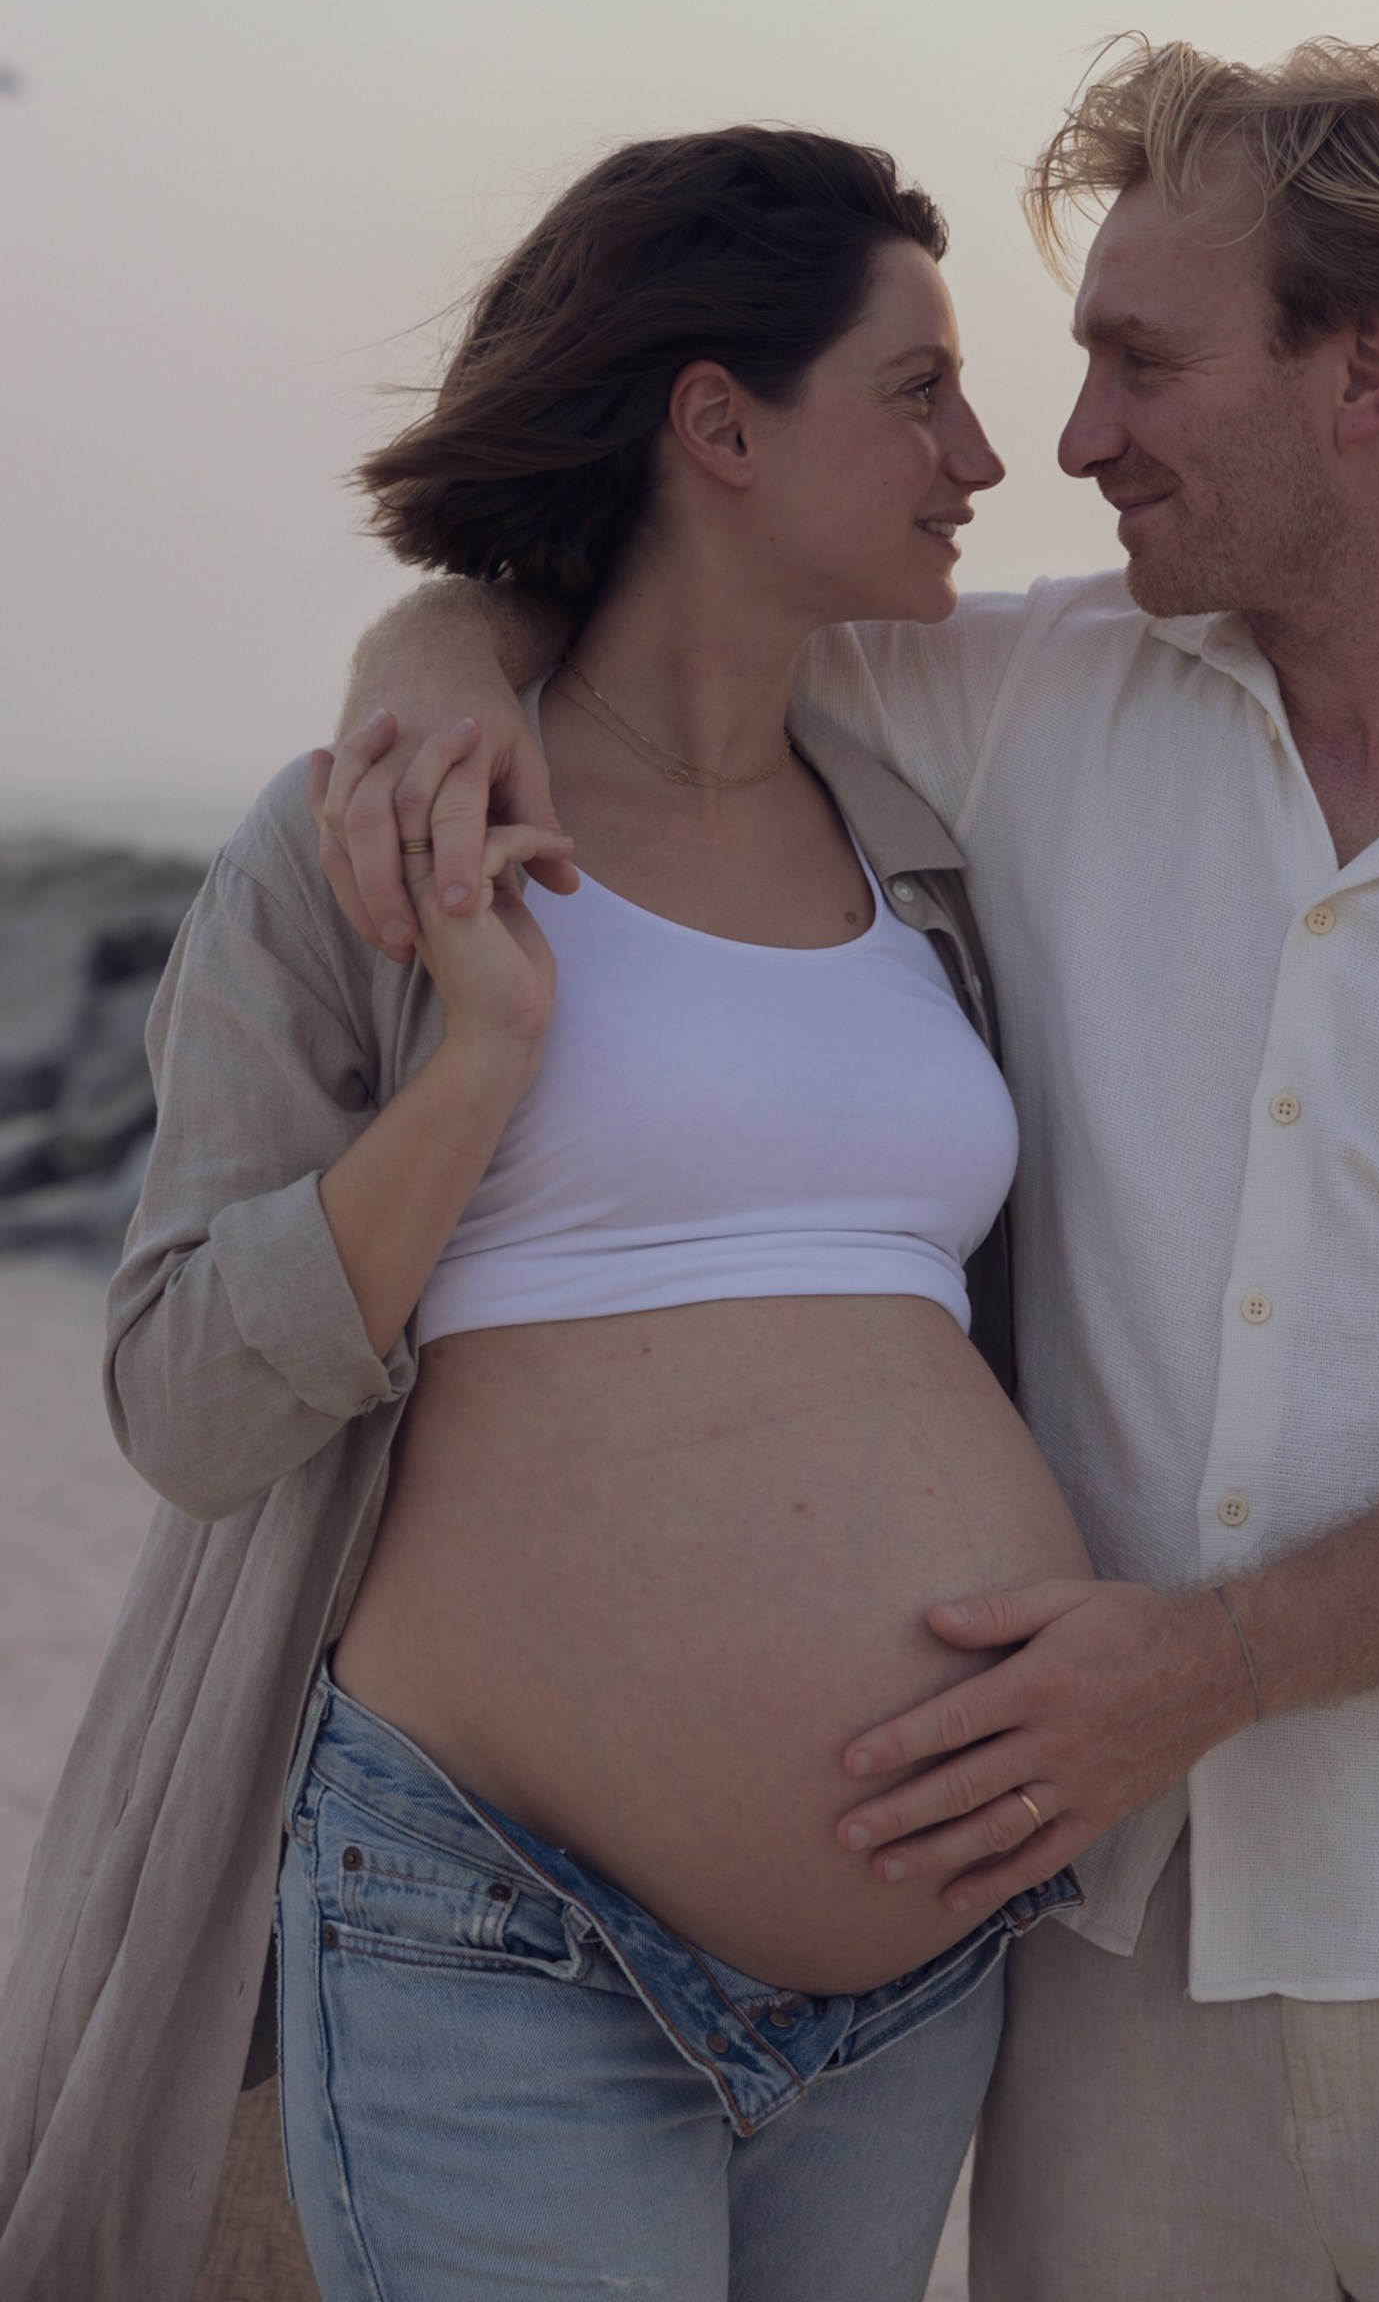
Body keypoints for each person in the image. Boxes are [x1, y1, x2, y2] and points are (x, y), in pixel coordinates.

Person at [325, 36, 1379, 2302]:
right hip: (1095, 1973)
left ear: (1367, 368)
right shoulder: (1037, 698)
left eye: (1140, 362)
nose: (1069, 442)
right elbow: (653, 605)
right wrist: (434, 653)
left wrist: (1216, 1663)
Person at [0, 127, 1094, 2302]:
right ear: (717, 420)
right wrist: (485, 1055)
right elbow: (186, 1405)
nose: (985, 451)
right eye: (917, 389)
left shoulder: (940, 833)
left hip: (917, 1983)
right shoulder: (370, 854)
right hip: (496, 1926)